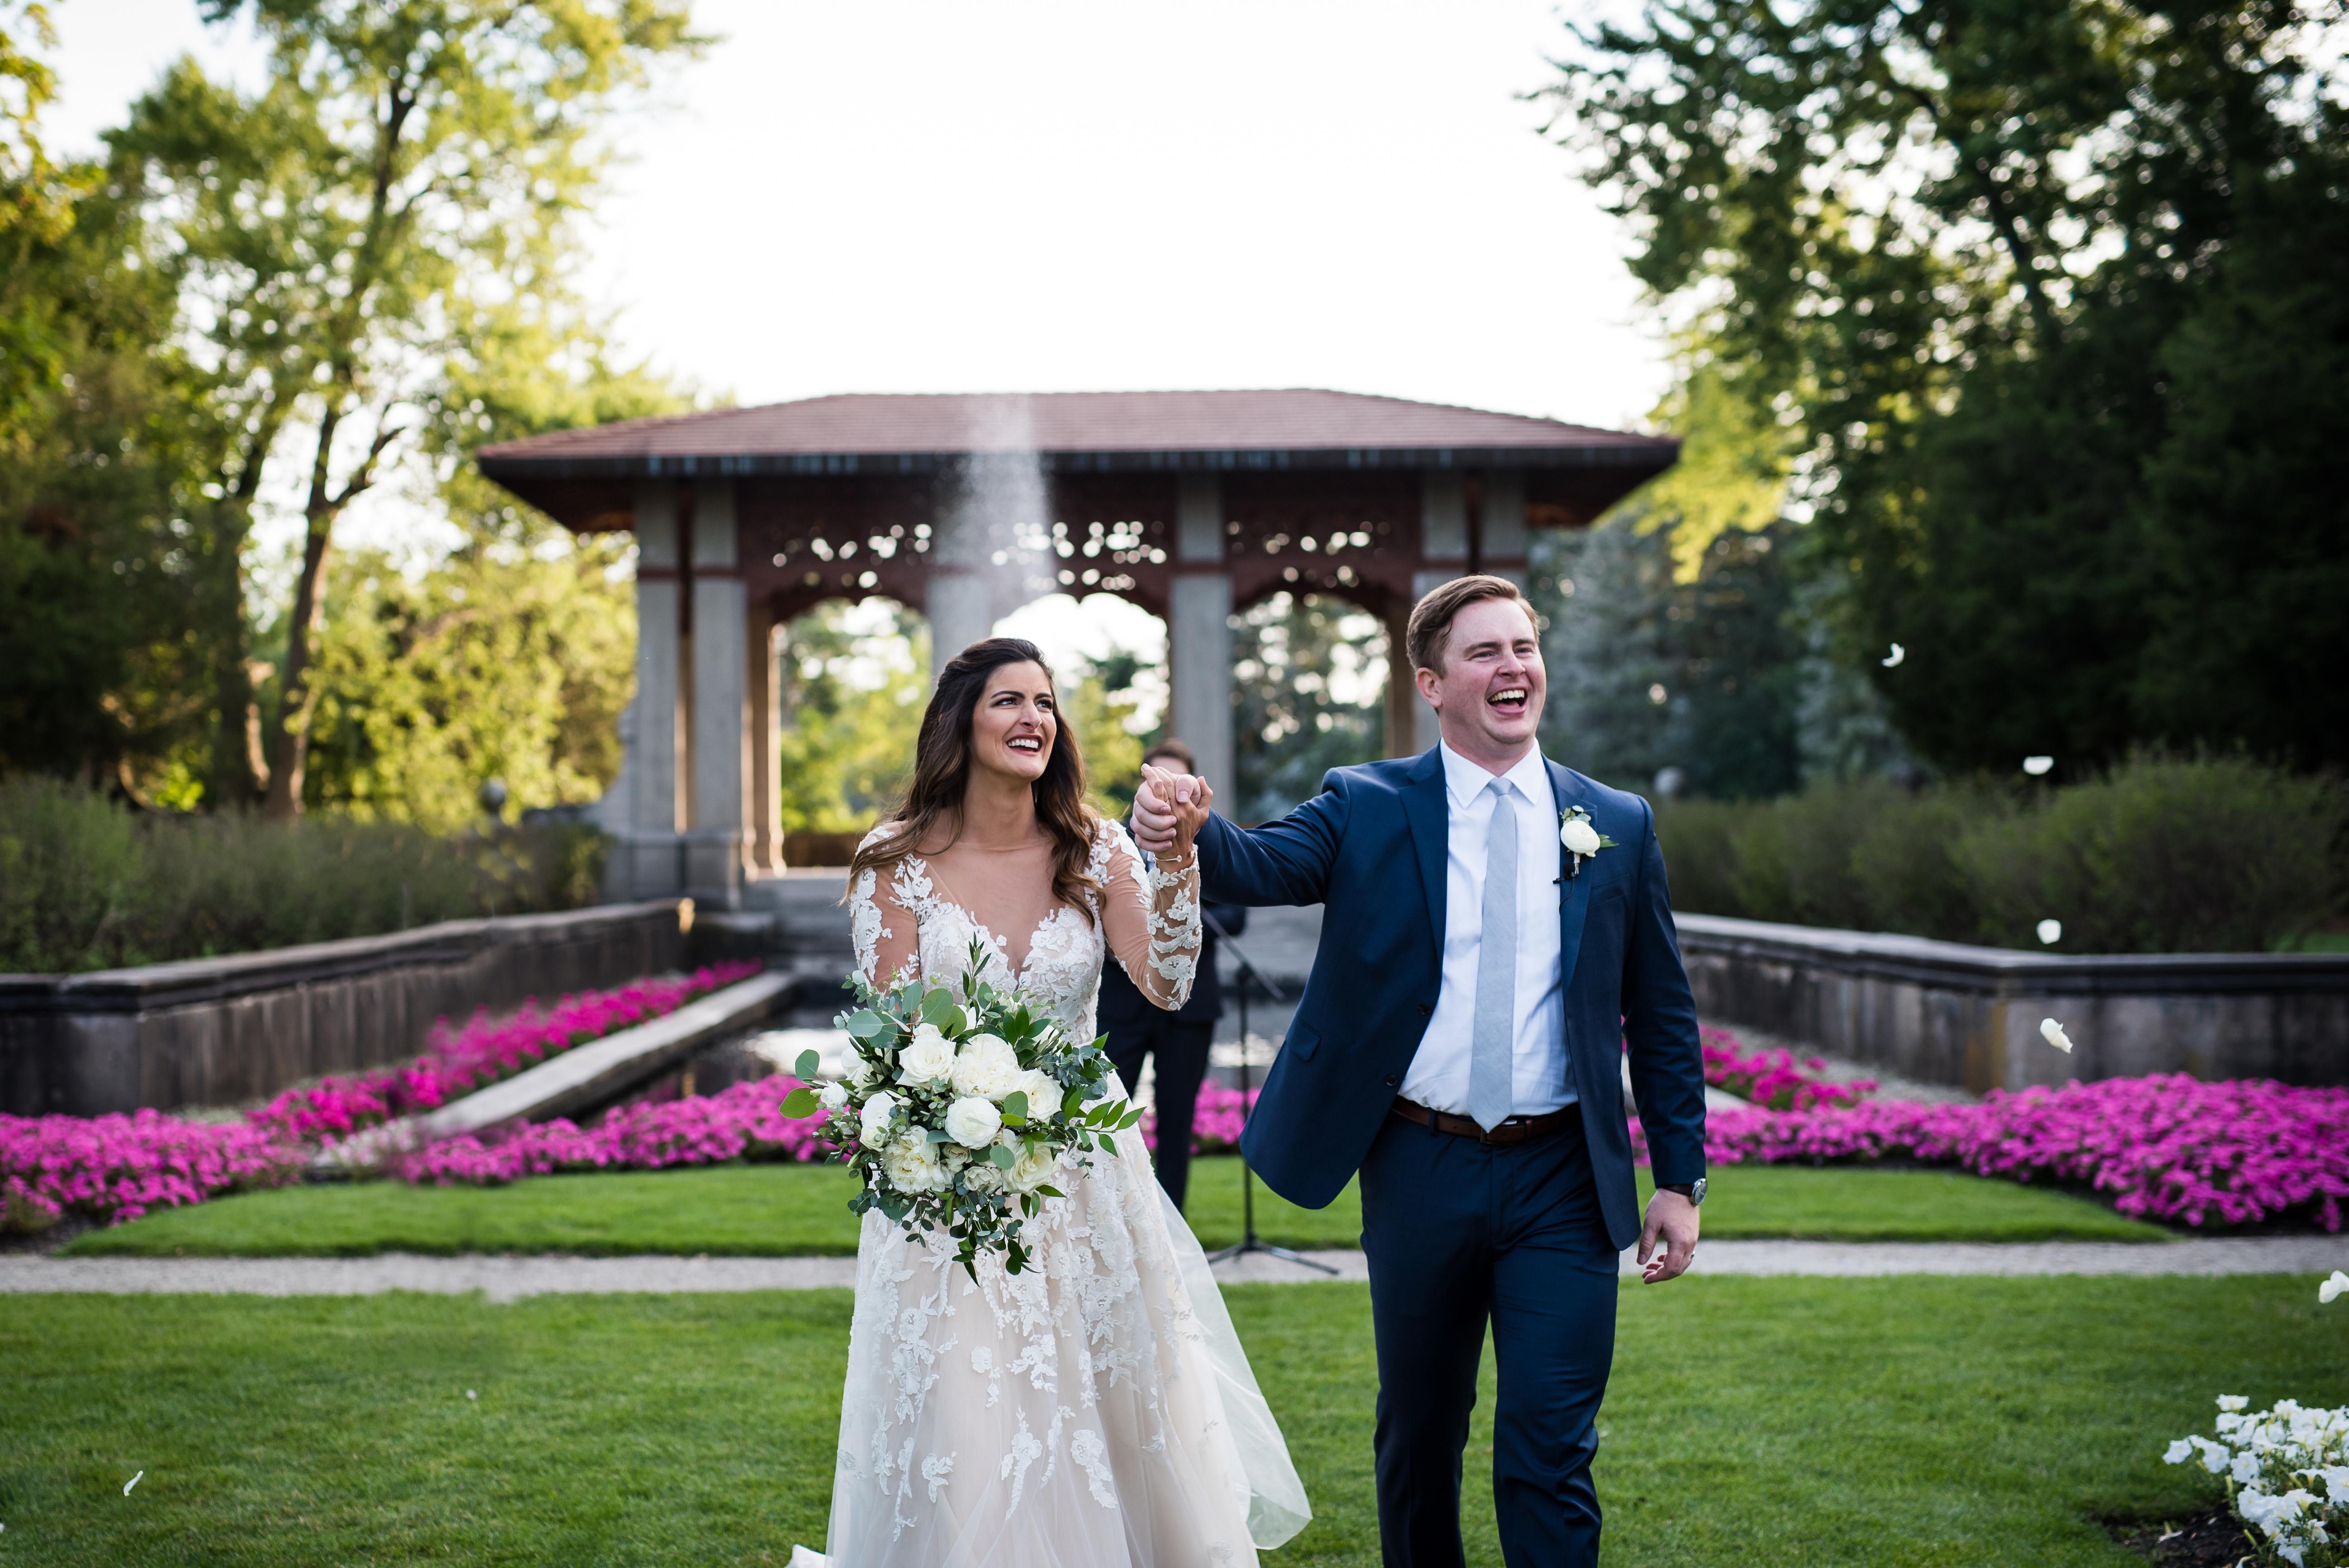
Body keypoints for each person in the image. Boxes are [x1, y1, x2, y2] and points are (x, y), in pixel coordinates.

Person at [1135, 576, 1708, 1568]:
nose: (1512, 668)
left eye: (1523, 647)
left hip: (1564, 1178)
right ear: (1431, 683)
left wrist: (1678, 1177)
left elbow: (1659, 1013)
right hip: (1416, 1163)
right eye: (1483, 652)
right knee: (1418, 1429)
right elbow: (1258, 864)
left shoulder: (1614, 821)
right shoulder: (1365, 802)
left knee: (1550, 1444)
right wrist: (1180, 822)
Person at [804, 637, 1309, 1568]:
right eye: (1008, 699)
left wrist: (1179, 861)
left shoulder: (1096, 845)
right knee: (970, 1408)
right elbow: (893, 1036)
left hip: (1083, 1174)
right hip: (952, 1184)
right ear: (960, 721)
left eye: (1043, 701)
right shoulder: (896, 859)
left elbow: (1164, 984)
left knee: (1106, 1398)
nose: (1032, 716)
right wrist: (947, 1127)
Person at [1096, 737, 1248, 1211]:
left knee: (1178, 1122)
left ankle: (1172, 1226)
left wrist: (1179, 912)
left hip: (1190, 1009)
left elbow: (1236, 916)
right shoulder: (1113, 843)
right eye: (1155, 780)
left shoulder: (1212, 841)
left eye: (1175, 782)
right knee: (1105, 1118)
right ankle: (1109, 1218)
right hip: (1122, 1005)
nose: (1164, 791)